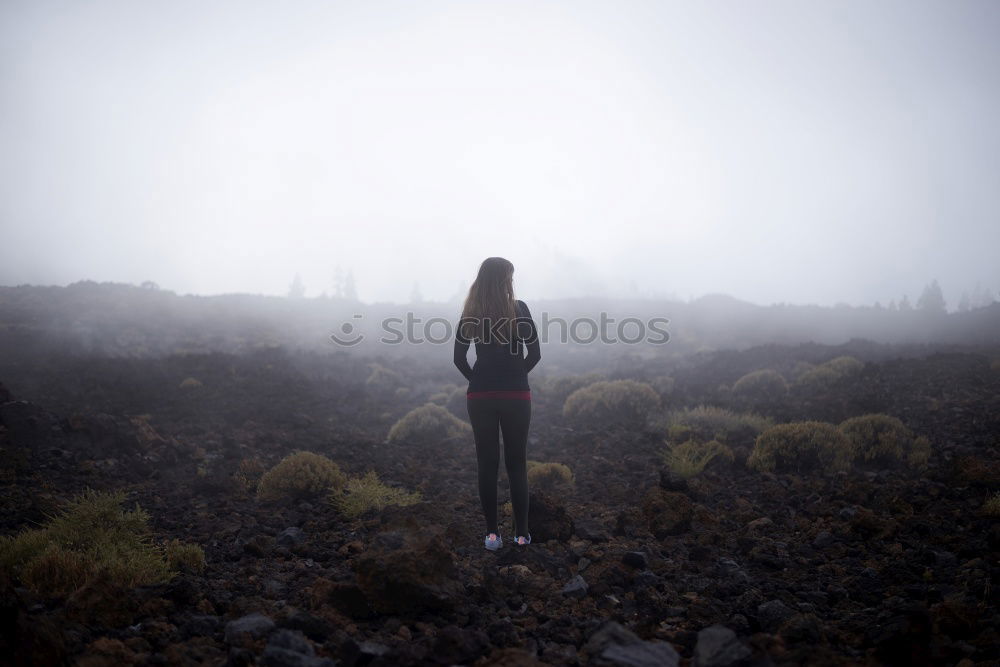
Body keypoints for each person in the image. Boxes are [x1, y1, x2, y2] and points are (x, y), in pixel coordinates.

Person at [453, 257, 541, 551]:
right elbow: (535, 354)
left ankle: (492, 535)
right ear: (506, 280)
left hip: (480, 397)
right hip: (517, 395)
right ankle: (521, 535)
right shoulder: (520, 309)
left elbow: (459, 359)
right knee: (517, 464)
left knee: (486, 465)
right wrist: (515, 377)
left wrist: (478, 382)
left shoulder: (472, 313)